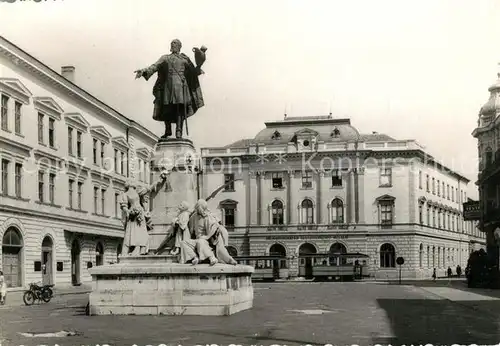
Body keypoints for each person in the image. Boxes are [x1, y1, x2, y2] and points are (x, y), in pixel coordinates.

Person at [134, 39, 206, 139]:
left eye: (175, 44)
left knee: (180, 109)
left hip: (181, 87)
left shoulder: (185, 59)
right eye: (172, 44)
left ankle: (179, 131)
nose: (173, 45)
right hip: (167, 87)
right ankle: (168, 131)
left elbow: (193, 71)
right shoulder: (165, 58)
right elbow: (155, 66)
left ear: (179, 46)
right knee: (166, 108)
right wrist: (144, 71)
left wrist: (199, 64)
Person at [119, 171, 169, 256]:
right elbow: (124, 206)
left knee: (140, 232)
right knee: (131, 232)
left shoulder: (137, 191)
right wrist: (128, 212)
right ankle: (131, 249)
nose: (133, 183)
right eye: (131, 181)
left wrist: (159, 179)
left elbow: (149, 188)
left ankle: (139, 248)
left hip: (140, 214)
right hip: (132, 215)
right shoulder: (125, 194)